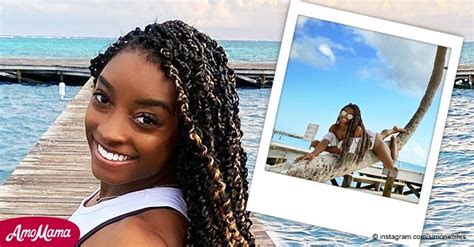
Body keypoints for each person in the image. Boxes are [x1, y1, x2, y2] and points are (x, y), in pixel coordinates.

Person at [69, 20, 254, 246]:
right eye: (102, 98)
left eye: (146, 119)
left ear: (187, 136)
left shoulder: (133, 238)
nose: (110, 132)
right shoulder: (134, 194)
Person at [296, 103, 406, 170]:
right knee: (382, 134)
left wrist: (319, 145)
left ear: (354, 118)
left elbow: (342, 151)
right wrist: (312, 154)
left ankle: (394, 138)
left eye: (349, 115)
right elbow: (325, 141)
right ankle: (393, 129)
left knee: (391, 164)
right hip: (367, 137)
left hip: (373, 142)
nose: (345, 116)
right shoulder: (333, 127)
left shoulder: (356, 130)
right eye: (343, 113)